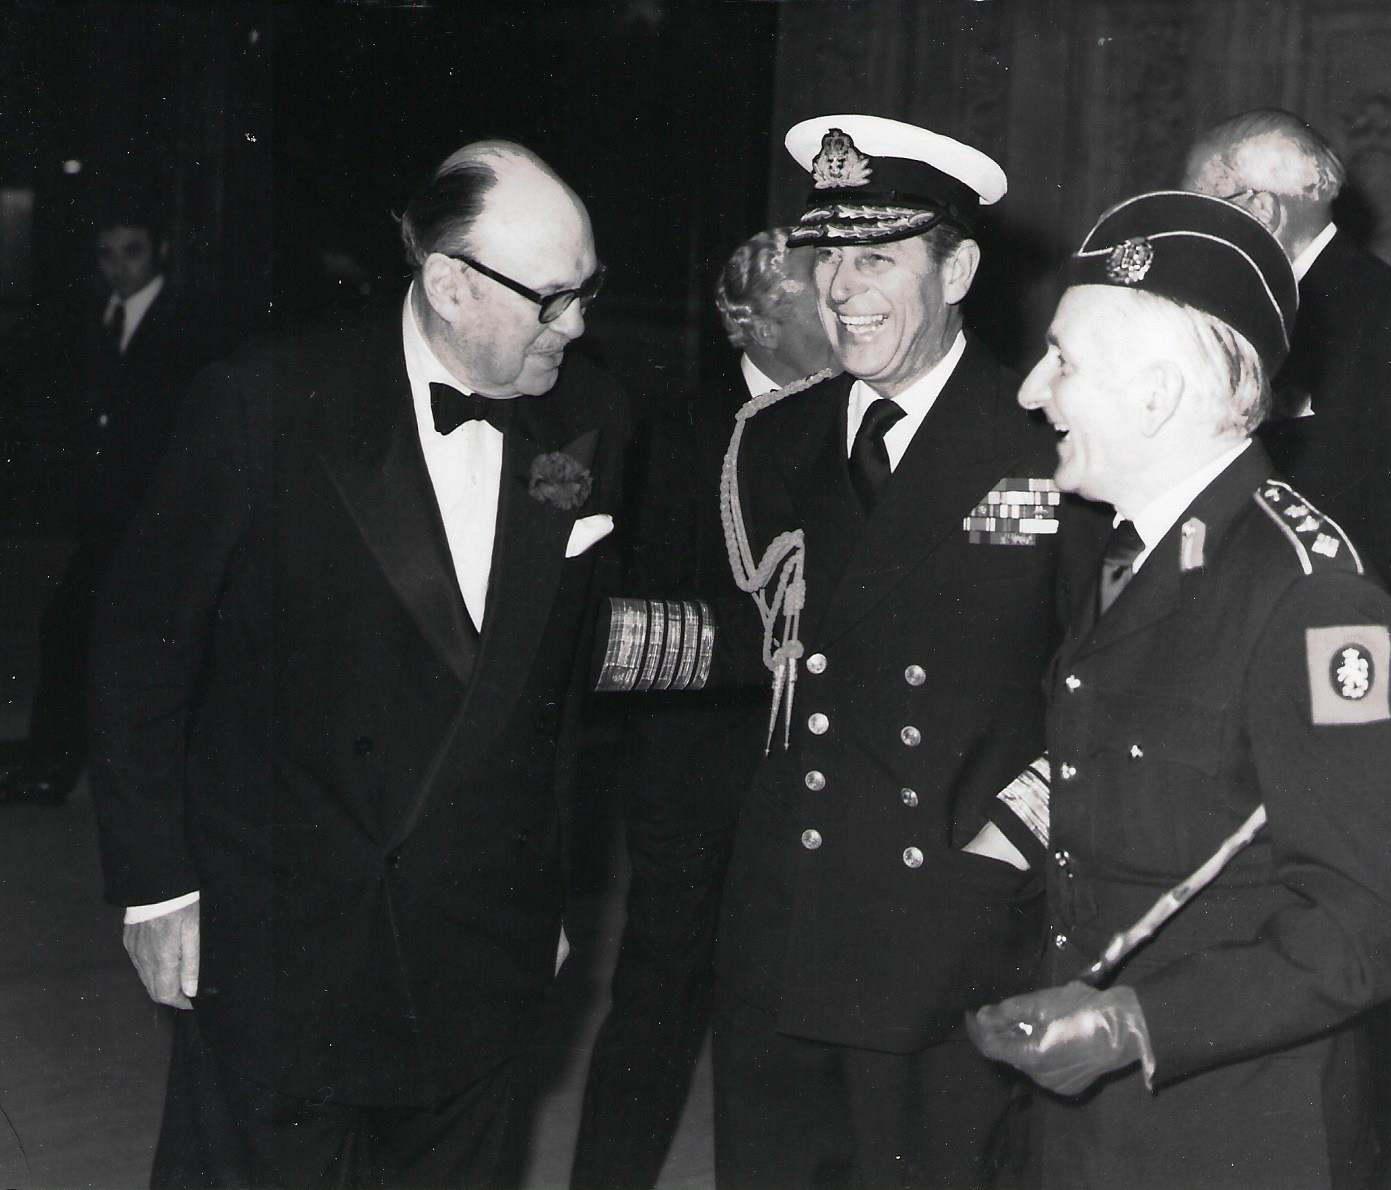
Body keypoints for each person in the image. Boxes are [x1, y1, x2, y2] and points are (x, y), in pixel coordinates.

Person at [89, 140, 628, 1188]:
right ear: (448, 283)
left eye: (587, 289)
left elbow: (548, 703)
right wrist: (155, 888)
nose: (578, 324)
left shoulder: (594, 417)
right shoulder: (264, 401)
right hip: (278, 933)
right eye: (554, 298)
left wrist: (543, 897)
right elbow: (142, 644)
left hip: (478, 938)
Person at [595, 114, 1070, 1189]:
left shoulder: (1039, 443)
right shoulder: (775, 436)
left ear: (956, 267)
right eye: (825, 258)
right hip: (781, 917)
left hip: (944, 913)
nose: (840, 290)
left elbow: (1093, 679)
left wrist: (1007, 848)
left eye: (875, 257)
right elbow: (762, 639)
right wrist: (568, 632)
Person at [966, 190, 1391, 1190]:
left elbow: (1370, 916)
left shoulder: (1312, 599)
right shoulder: (1134, 551)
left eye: (1064, 361)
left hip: (1229, 1132)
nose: (1029, 390)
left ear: (1153, 394)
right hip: (1088, 1124)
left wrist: (1140, 1021)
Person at [570, 229, 835, 1190]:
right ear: (754, 320)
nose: (844, 310)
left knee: (792, 1024)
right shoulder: (674, 432)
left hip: (815, 785)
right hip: (695, 779)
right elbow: (630, 616)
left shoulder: (862, 425)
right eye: (820, 297)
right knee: (657, 1004)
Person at [1180, 109, 1391, 821]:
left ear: (1256, 207)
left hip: (1337, 674)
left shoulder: (1383, 314)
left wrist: (1372, 719)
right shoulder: (1266, 307)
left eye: (1200, 208)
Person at [0, 198, 211, 804]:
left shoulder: (187, 325)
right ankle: (54, 766)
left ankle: (56, 768)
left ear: (160, 251)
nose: (119, 267)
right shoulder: (100, 320)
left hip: (160, 517)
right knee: (75, 630)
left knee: (82, 631)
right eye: (107, 254)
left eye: (133, 251)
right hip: (109, 516)